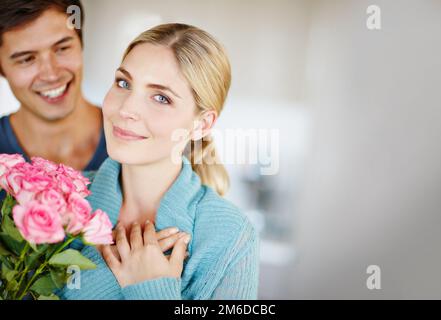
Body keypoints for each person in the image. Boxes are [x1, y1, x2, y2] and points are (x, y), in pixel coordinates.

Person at [59, 23, 259, 300]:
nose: (127, 108)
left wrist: (151, 290)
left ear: (201, 124)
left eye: (161, 97)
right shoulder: (56, 198)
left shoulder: (231, 237)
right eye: (123, 83)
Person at [0, 0, 107, 172]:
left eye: (62, 48)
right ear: (2, 68)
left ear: (81, 44)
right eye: (27, 59)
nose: (51, 74)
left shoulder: (140, 143)